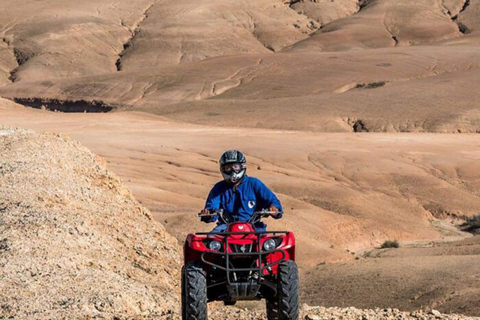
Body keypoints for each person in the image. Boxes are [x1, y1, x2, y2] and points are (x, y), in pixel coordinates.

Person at [200, 149, 283, 232]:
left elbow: (272, 201)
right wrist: (208, 215)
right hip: (225, 227)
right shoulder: (218, 188)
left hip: (254, 226)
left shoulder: (254, 184)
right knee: (209, 242)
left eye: (235, 167)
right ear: (222, 169)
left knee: (269, 243)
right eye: (228, 168)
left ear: (242, 166)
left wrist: (274, 209)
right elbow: (211, 208)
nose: (232, 171)